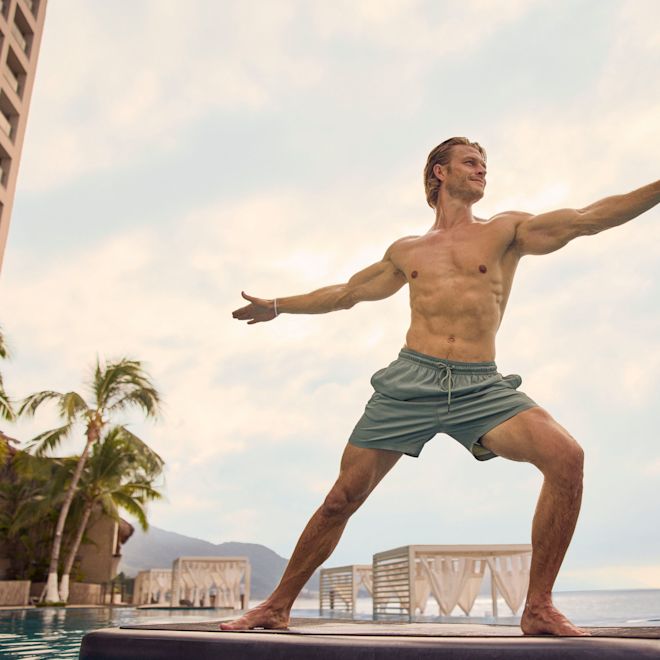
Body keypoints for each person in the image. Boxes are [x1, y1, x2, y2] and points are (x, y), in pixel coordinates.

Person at [228, 137, 659, 636]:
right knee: (341, 499)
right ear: (439, 172)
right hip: (411, 381)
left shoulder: (506, 230)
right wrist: (279, 305)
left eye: (484, 165)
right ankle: (275, 605)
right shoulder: (407, 250)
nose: (482, 171)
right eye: (470, 163)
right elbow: (346, 294)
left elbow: (588, 218)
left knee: (567, 457)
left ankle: (538, 606)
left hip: (480, 386)